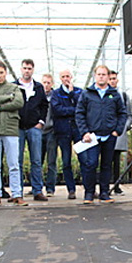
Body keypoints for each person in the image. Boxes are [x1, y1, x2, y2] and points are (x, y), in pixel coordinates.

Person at [75, 64, 127, 204]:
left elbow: (123, 113)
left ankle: (105, 192)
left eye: (104, 74)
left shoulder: (115, 94)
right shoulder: (87, 94)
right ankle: (89, 193)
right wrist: (85, 132)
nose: (101, 77)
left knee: (106, 164)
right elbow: (79, 113)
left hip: (109, 135)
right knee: (90, 164)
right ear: (95, 76)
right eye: (99, 74)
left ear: (108, 76)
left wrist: (117, 131)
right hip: (92, 136)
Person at [0, 61, 27, 206]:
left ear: (6, 73)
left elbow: (19, 103)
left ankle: (17, 194)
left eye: (1, 73)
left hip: (10, 128)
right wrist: (8, 97)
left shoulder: (14, 87)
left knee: (14, 163)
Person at [15, 59, 49, 201]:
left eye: (29, 68)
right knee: (17, 161)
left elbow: (44, 106)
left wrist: (41, 122)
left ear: (33, 70)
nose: (27, 70)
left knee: (36, 160)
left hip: (34, 128)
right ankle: (18, 191)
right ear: (21, 69)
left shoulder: (38, 87)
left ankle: (37, 190)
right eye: (25, 68)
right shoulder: (14, 86)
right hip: (18, 129)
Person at [50, 69, 83, 200]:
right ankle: (71, 189)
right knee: (66, 161)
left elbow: (82, 106)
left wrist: (71, 94)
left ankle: (88, 187)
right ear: (60, 78)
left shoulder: (79, 91)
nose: (66, 79)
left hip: (77, 131)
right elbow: (57, 110)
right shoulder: (56, 93)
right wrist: (73, 110)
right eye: (63, 76)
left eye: (68, 76)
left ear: (72, 77)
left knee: (84, 160)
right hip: (63, 131)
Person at [108, 70, 132, 196]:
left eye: (114, 78)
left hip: (118, 133)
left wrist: (124, 127)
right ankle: (105, 186)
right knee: (106, 161)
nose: (112, 80)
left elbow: (129, 115)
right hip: (106, 132)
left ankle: (116, 186)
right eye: (110, 78)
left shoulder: (123, 95)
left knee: (116, 160)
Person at [40, 73, 58, 196]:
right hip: (38, 131)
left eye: (48, 83)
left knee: (51, 161)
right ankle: (37, 187)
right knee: (37, 161)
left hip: (51, 131)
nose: (46, 85)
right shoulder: (37, 95)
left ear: (52, 84)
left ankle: (50, 187)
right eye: (44, 82)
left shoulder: (55, 96)